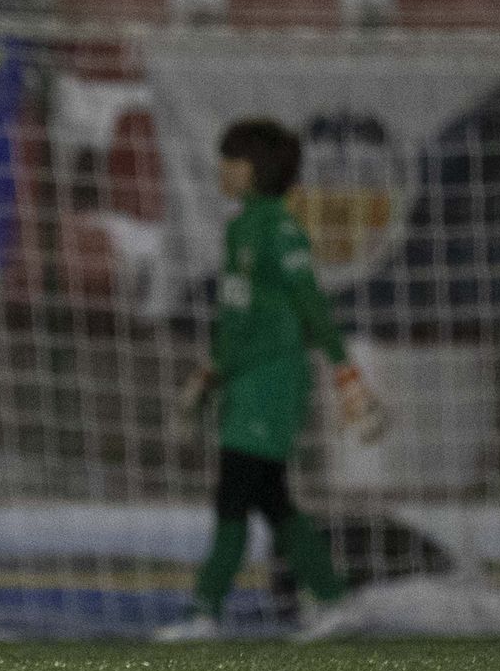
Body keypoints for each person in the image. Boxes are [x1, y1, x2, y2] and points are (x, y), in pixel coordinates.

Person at [157, 118, 386, 643]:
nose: (220, 169)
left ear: (249, 170)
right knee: (271, 499)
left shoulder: (280, 230)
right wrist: (208, 375)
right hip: (244, 384)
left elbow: (311, 302)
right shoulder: (242, 227)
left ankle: (206, 610)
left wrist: (344, 371)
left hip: (273, 382)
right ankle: (332, 597)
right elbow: (236, 320)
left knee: (236, 493)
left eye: (228, 160)